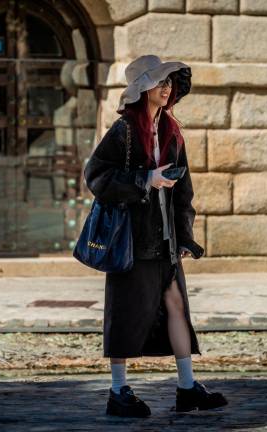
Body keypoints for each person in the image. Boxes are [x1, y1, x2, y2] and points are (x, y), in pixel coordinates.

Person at [83, 54, 228, 417]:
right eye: (159, 82)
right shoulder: (124, 132)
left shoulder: (172, 132)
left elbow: (184, 192)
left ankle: (187, 387)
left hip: (164, 242)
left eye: (170, 82)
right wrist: (144, 180)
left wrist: (184, 237)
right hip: (130, 241)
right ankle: (118, 392)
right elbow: (96, 176)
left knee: (178, 306)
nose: (167, 87)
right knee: (126, 313)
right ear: (142, 88)